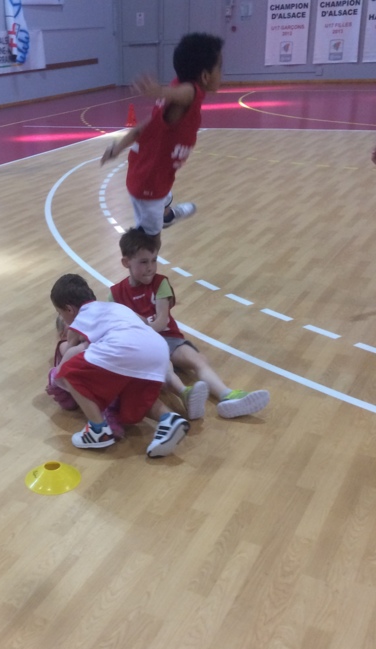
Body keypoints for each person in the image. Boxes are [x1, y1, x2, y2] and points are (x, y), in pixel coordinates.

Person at [110, 228, 270, 420]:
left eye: (154, 260)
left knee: (198, 360)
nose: (151, 267)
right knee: (165, 368)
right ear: (126, 262)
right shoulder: (116, 294)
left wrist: (141, 327)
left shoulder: (160, 283)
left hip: (168, 337)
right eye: (144, 262)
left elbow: (161, 321)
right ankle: (186, 396)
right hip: (144, 344)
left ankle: (227, 395)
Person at [100, 32, 224, 245]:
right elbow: (187, 94)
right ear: (205, 76)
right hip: (149, 185)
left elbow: (141, 128)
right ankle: (145, 256)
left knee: (164, 193)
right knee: (151, 243)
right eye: (220, 68)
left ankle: (166, 215)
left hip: (147, 171)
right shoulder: (187, 93)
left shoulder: (178, 87)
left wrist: (117, 148)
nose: (222, 73)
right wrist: (160, 91)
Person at [50, 273, 189, 457]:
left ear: (68, 309)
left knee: (69, 372)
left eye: (60, 313)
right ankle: (168, 419)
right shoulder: (113, 307)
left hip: (127, 350)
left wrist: (57, 377)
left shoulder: (81, 316)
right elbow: (142, 321)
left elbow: (70, 352)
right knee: (135, 398)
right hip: (158, 349)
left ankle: (97, 430)